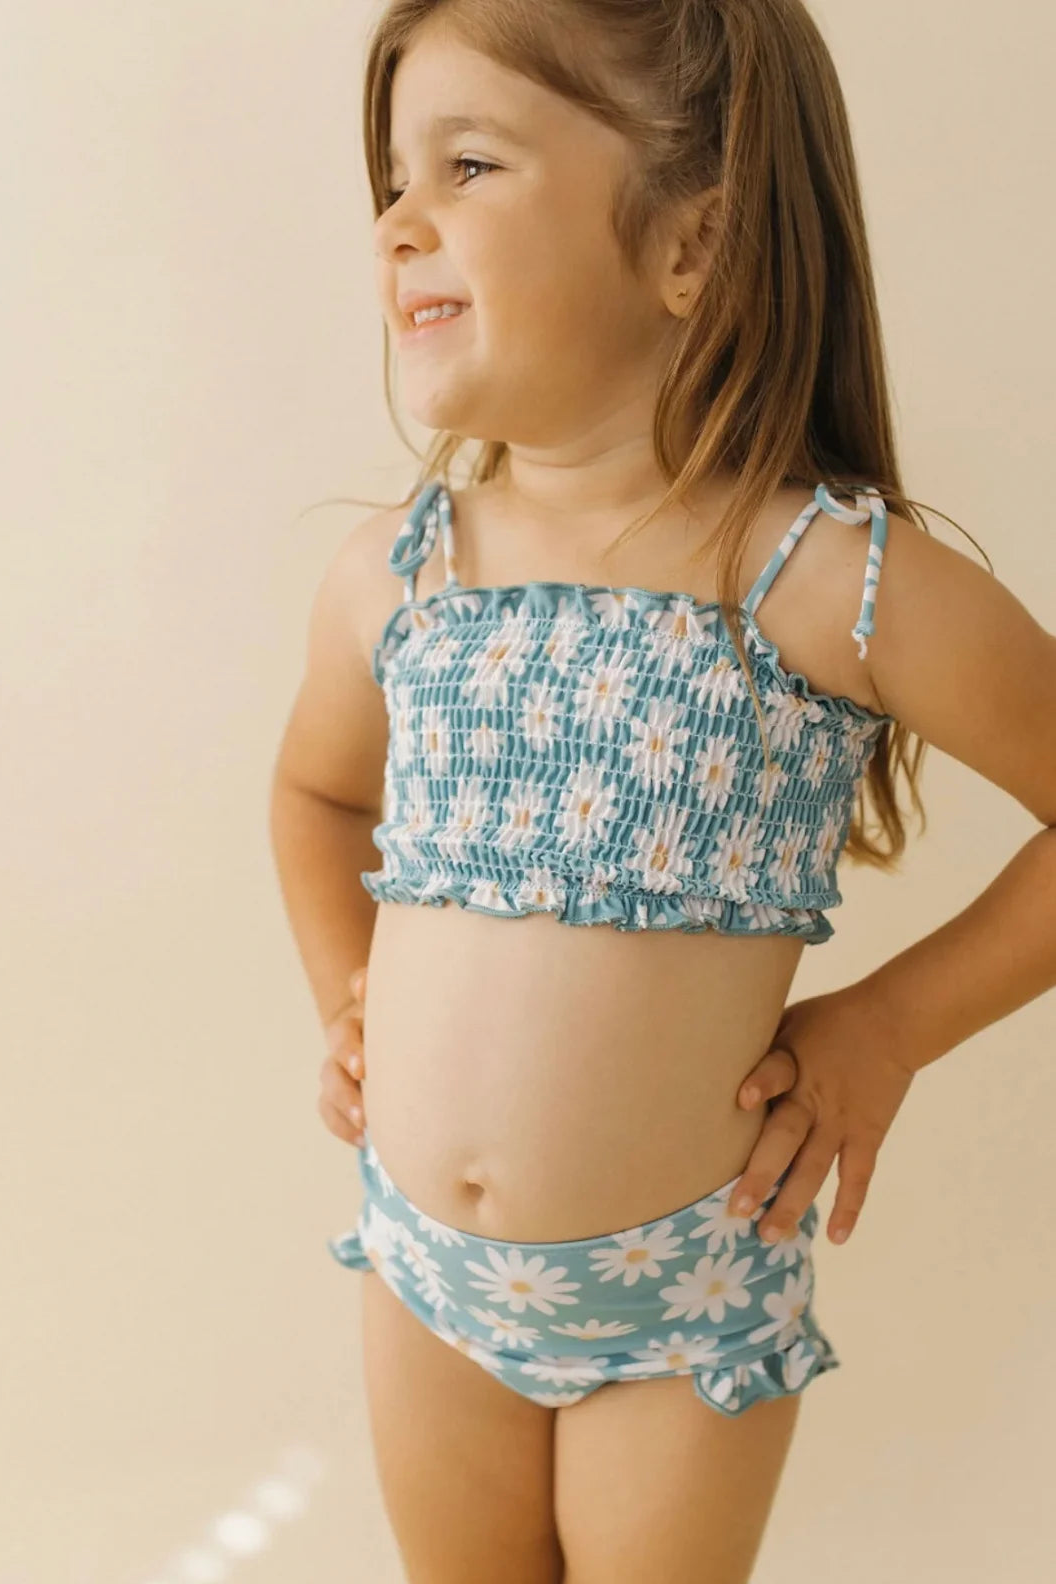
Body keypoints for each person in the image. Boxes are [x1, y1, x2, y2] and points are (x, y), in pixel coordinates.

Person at [269, 4, 1056, 1581]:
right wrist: (347, 989)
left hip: (679, 1291)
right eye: (392, 177)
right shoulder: (396, 574)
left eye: (467, 165)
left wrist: (887, 1025)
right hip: (423, 1271)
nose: (397, 221)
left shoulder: (819, 577)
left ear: (690, 243)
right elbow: (313, 794)